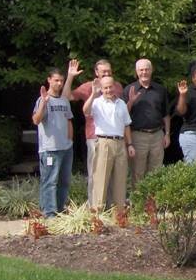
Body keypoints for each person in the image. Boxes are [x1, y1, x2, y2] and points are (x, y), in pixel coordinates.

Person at [82, 72, 133, 211]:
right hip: (104, 142)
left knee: (120, 179)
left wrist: (130, 144)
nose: (109, 90)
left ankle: (119, 213)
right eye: (105, 88)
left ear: (115, 87)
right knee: (101, 179)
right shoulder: (97, 102)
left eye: (110, 87)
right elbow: (85, 111)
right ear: (102, 89)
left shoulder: (121, 103)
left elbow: (127, 124)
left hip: (120, 143)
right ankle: (97, 213)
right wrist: (93, 93)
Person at [68, 58, 122, 182]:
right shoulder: (88, 87)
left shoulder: (117, 87)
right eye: (103, 71)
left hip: (115, 137)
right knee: (95, 175)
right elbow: (67, 97)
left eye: (109, 71)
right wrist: (70, 76)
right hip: (95, 138)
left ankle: (111, 202)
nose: (107, 74)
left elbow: (123, 114)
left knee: (113, 177)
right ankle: (94, 201)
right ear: (96, 72)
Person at [32, 67, 74, 218]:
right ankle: (49, 214)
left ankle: (60, 210)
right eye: (56, 80)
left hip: (66, 148)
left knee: (64, 182)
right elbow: (36, 120)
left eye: (61, 81)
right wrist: (43, 102)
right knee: (50, 182)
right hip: (50, 149)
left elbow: (69, 120)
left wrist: (70, 140)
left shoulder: (64, 100)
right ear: (49, 80)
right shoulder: (42, 100)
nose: (59, 83)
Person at [124, 58, 171, 187]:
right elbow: (123, 115)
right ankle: (138, 203)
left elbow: (166, 114)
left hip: (157, 135)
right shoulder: (129, 89)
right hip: (137, 135)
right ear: (136, 71)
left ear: (151, 70)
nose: (144, 72)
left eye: (146, 69)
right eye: (141, 70)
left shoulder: (160, 90)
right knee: (137, 172)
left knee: (156, 172)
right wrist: (131, 102)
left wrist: (167, 134)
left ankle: (153, 204)